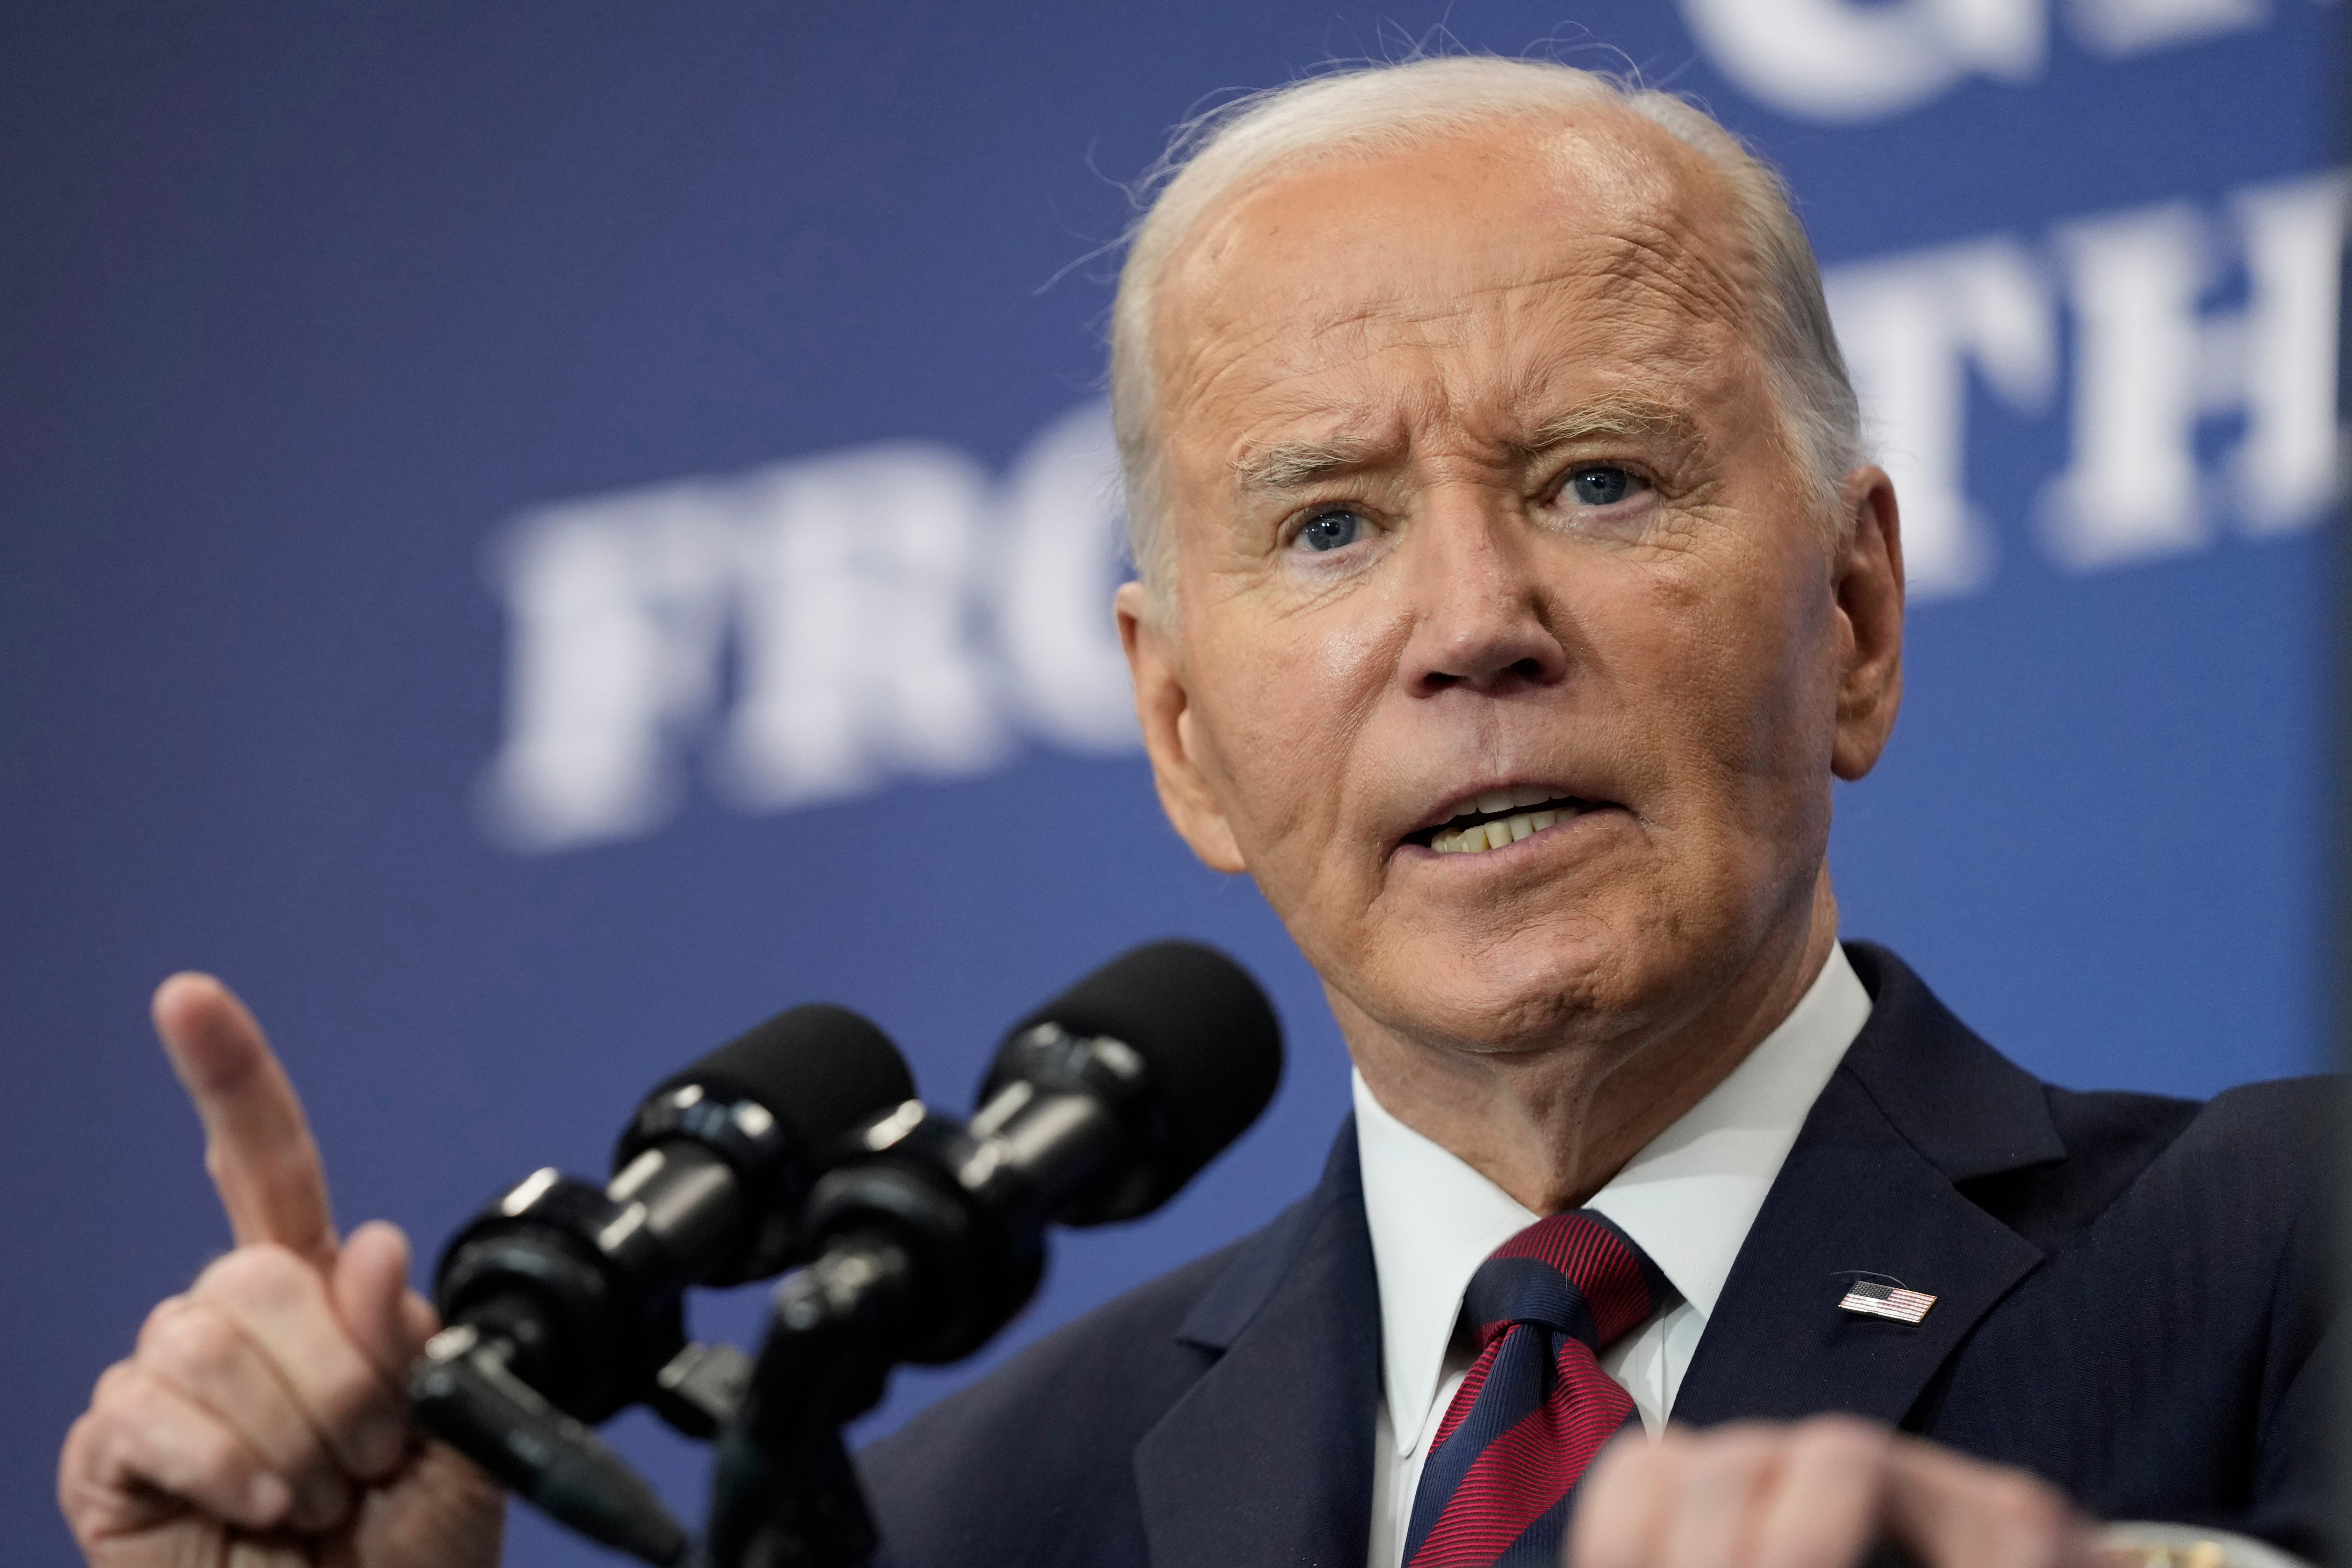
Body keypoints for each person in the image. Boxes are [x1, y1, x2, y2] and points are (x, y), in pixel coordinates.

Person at [59, 55, 2325, 1568]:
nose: (1472, 621)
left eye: (1595, 479)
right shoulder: (966, 1512)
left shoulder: (2286, 1247)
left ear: (1848, 620)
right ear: (1177, 731)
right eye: (1327, 527)